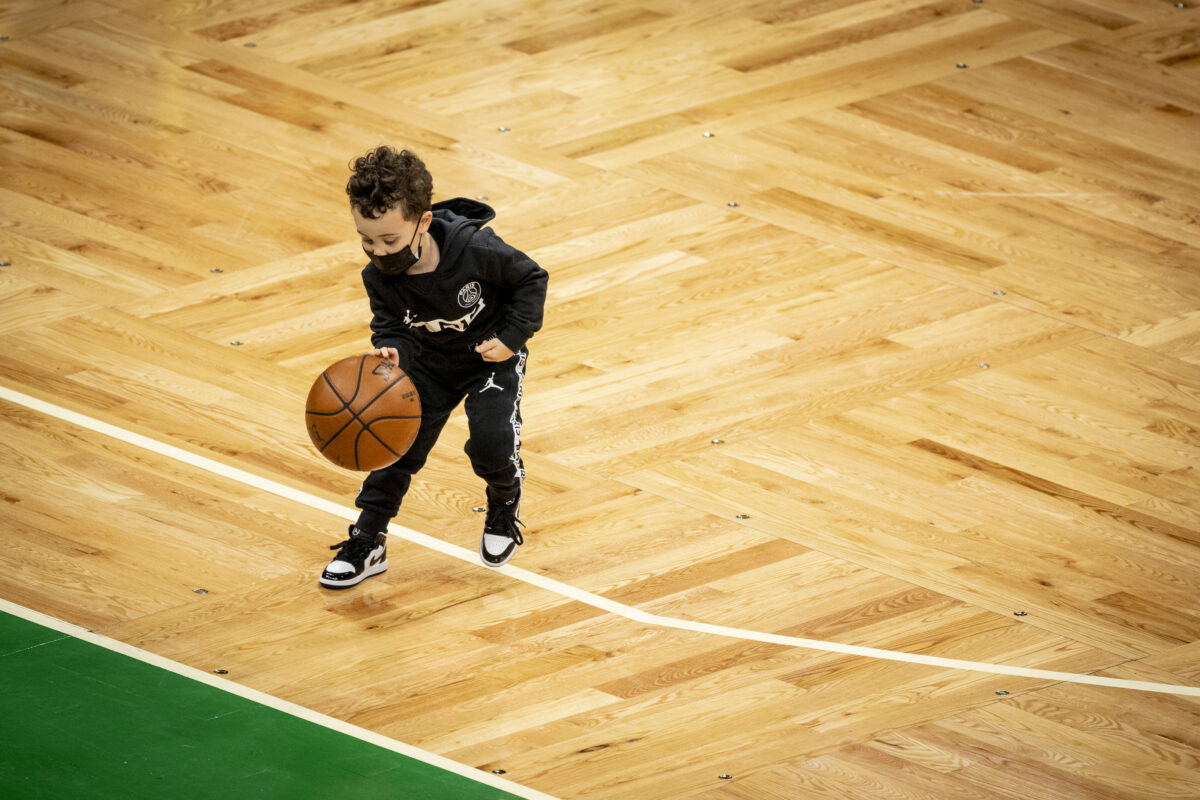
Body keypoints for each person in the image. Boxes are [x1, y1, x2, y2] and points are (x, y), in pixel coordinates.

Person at [320, 146, 548, 589]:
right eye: (367, 240)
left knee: (491, 441)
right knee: (392, 443)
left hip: (489, 358)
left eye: (389, 240)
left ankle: (503, 502)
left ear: (423, 221)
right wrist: (391, 349)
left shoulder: (477, 249)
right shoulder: (378, 276)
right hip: (427, 362)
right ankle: (369, 540)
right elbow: (388, 324)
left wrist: (511, 339)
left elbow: (531, 279)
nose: (378, 251)